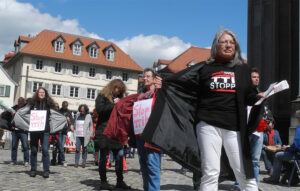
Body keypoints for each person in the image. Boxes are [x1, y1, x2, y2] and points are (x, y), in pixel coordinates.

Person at [142, 29, 265, 191]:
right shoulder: (206, 68)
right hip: (208, 125)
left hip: (234, 127)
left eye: (232, 42)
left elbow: (249, 96)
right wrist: (165, 82)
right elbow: (184, 82)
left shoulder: (242, 70)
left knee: (243, 172)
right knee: (210, 172)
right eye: (224, 42)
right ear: (216, 45)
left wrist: (260, 97)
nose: (229, 45)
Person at [95, 79, 130, 190]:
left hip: (117, 131)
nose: (118, 92)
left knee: (120, 156)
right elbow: (100, 110)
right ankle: (103, 181)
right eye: (117, 89)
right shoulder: (102, 96)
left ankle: (120, 181)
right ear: (112, 87)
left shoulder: (120, 98)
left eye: (120, 91)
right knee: (104, 157)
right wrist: (113, 105)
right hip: (104, 130)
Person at [263, 110, 300, 184]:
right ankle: (289, 176)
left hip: (297, 154)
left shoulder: (299, 127)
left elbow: (297, 146)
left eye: (297, 118)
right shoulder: (264, 133)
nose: (297, 119)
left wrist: (287, 148)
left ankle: (274, 178)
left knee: (278, 155)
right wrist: (289, 146)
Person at [28, 87, 55, 178]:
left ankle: (46, 170)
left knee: (45, 150)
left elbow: (56, 114)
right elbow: (25, 113)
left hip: (45, 130)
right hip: (34, 130)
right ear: (37, 93)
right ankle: (33, 170)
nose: (41, 94)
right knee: (34, 150)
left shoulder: (49, 104)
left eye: (43, 92)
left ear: (45, 93)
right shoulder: (32, 103)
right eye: (40, 92)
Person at [9, 97, 29, 167]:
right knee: (14, 146)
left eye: (21, 101)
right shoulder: (14, 108)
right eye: (19, 101)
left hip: (23, 130)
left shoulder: (26, 109)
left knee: (25, 146)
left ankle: (26, 161)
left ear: (23, 102)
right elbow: (9, 116)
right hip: (15, 130)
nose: (20, 102)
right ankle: (13, 161)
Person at [71, 104, 93, 168]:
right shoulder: (77, 115)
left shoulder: (88, 116)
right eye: (81, 111)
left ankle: (84, 162)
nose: (82, 112)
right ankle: (76, 162)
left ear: (85, 110)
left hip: (85, 135)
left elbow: (91, 126)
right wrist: (72, 127)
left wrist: (91, 134)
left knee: (84, 149)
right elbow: (74, 122)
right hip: (77, 134)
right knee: (77, 149)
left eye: (83, 111)